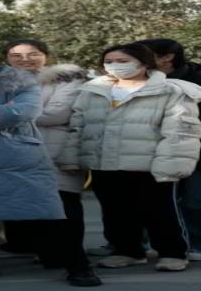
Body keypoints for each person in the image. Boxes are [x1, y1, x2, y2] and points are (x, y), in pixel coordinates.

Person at [60, 43, 201, 272]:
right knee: (115, 211)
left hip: (150, 164)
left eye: (123, 61)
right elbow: (78, 127)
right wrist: (71, 158)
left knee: (160, 211)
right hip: (104, 162)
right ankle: (127, 251)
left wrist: (171, 164)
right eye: (109, 61)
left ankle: (172, 252)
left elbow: (180, 131)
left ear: (144, 63)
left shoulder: (171, 91)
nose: (115, 66)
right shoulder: (92, 90)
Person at [2, 39, 102, 286]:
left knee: (65, 205)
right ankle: (50, 253)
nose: (25, 59)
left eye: (32, 54)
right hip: (14, 152)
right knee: (32, 207)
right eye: (16, 55)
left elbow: (57, 113)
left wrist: (8, 114)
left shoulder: (66, 79)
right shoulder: (1, 82)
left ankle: (78, 265)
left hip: (57, 150)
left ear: (46, 55)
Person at [135, 38, 201, 261]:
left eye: (144, 55)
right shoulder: (139, 81)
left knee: (194, 201)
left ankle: (195, 244)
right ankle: (147, 243)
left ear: (167, 57)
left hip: (193, 151)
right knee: (151, 202)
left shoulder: (195, 80)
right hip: (152, 150)